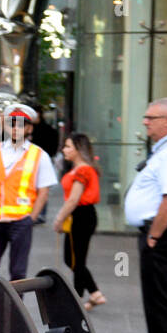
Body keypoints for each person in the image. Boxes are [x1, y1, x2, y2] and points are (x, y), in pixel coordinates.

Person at [0, 104, 57, 281]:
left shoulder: (39, 155)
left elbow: (44, 192)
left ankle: (14, 309)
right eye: (12, 124)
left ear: (29, 128)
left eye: (21, 125)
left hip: (21, 222)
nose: (16, 128)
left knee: (18, 273)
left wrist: (31, 219)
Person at [122, 97, 167, 333]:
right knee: (161, 299)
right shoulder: (163, 151)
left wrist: (154, 235)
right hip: (161, 236)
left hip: (161, 237)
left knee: (160, 301)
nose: (145, 122)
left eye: (150, 118)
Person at [53, 132, 105, 309]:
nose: (64, 150)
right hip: (80, 215)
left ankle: (77, 301)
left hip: (81, 215)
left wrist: (59, 219)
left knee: (76, 260)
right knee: (72, 258)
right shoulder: (79, 168)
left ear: (78, 149)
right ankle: (95, 293)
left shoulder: (83, 169)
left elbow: (74, 199)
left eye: (68, 146)